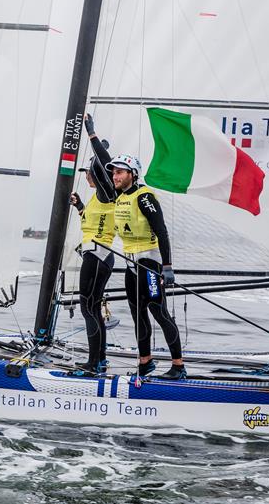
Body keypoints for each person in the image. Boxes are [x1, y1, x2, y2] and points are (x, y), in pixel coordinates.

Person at [107, 154, 186, 379]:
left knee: (159, 313)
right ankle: (145, 362)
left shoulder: (144, 196)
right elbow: (103, 173)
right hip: (130, 262)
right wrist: (94, 138)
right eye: (114, 172)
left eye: (120, 172)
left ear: (132, 174)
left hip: (149, 261)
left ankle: (178, 366)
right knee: (137, 314)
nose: (115, 176)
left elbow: (161, 230)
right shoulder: (120, 196)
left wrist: (167, 266)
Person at [68, 114, 117, 374]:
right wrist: (79, 207)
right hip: (99, 254)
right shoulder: (97, 200)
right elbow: (95, 224)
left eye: (88, 172)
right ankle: (100, 359)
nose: (86, 175)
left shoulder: (107, 192)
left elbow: (104, 163)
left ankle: (93, 362)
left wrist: (92, 134)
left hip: (97, 256)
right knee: (93, 309)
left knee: (88, 308)